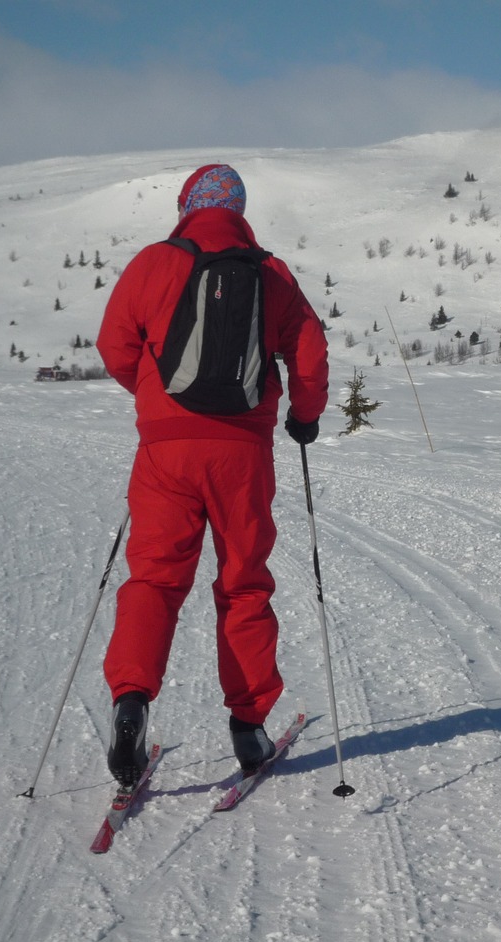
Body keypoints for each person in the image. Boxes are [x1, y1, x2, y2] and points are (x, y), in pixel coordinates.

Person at [96, 163, 329, 787]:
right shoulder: (271, 271)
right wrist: (303, 419)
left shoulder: (154, 262)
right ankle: (248, 726)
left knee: (155, 577)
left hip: (165, 453)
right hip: (243, 457)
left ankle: (131, 700)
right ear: (239, 209)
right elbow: (308, 350)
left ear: (187, 205)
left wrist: (155, 401)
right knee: (244, 582)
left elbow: (114, 343)